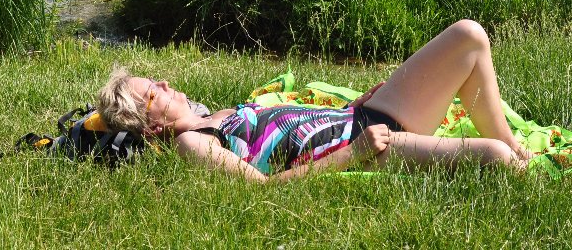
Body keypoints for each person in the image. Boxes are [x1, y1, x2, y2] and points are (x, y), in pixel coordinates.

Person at [96, 19, 533, 183]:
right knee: (496, 161)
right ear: (151, 127)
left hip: (363, 116)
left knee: (469, 36)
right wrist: (353, 153)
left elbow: (290, 127)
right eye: (153, 92)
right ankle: (511, 155)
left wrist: (348, 109)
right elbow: (262, 189)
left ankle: (515, 144)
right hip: (369, 149)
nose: (166, 83)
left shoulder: (217, 115)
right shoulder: (193, 143)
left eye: (156, 81)